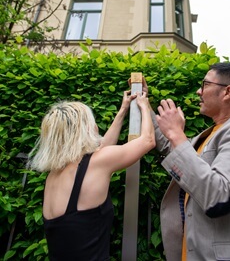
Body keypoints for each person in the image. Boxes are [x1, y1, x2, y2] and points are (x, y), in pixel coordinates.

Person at [147, 62, 230, 260]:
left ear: (227, 92)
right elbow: (172, 148)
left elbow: (220, 196)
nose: (199, 91)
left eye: (205, 84)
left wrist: (176, 133)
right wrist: (143, 103)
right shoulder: (206, 136)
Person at [28, 89, 155, 261]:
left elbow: (100, 150)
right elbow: (147, 140)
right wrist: (145, 106)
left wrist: (122, 111)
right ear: (84, 129)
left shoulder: (55, 173)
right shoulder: (96, 163)